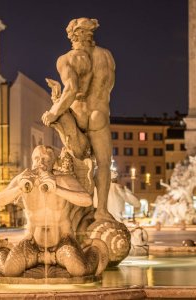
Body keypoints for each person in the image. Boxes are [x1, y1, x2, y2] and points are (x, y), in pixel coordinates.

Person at [42, 18, 115, 221]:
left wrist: (54, 112)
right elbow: (107, 88)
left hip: (79, 113)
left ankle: (75, 211)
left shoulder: (67, 59)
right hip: (100, 114)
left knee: (75, 161)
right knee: (103, 164)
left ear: (72, 35)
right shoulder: (106, 56)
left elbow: (72, 89)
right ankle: (101, 210)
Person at [0, 145, 98, 277]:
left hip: (62, 242)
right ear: (32, 161)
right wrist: (19, 188)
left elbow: (87, 200)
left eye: (45, 159)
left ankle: (91, 252)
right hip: (33, 242)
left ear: (53, 163)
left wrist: (56, 189)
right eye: (36, 159)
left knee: (79, 270)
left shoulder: (63, 179)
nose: (40, 163)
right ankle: (3, 252)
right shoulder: (24, 178)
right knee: (9, 270)